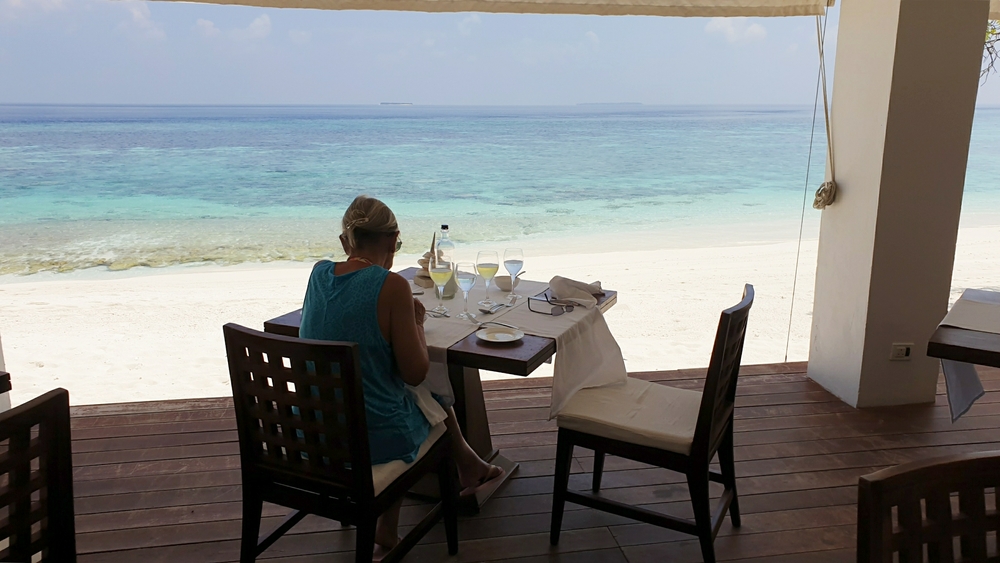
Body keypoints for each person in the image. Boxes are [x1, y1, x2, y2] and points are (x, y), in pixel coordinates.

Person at [299, 195, 503, 555]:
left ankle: (461, 472)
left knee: (411, 394)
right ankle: (465, 467)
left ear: (346, 241)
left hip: (315, 431)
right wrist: (418, 323)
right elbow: (414, 372)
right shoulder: (391, 285)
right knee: (425, 391)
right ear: (393, 242)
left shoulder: (318, 274)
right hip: (369, 442)